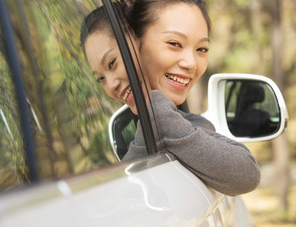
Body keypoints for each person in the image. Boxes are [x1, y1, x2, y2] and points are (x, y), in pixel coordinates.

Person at [80, 1, 260, 196]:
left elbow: (247, 173)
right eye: (100, 78)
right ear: (135, 43)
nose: (191, 63)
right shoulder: (159, 119)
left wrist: (159, 113)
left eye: (202, 49)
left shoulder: (164, 119)